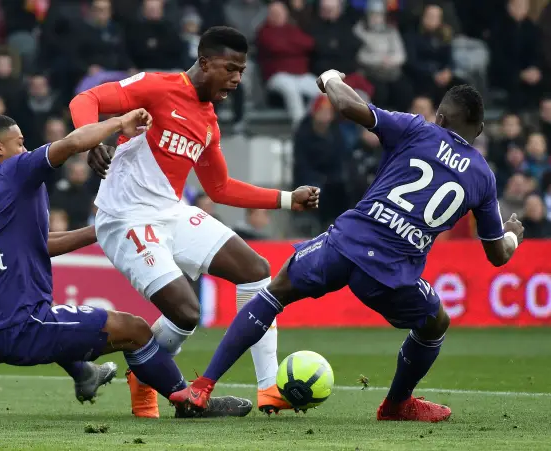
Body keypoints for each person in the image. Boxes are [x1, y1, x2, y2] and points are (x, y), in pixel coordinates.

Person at [169, 75, 525, 422]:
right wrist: (511, 235)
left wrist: (330, 78)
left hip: (347, 242)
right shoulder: (483, 176)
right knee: (435, 323)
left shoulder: (418, 129)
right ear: (478, 131)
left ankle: (202, 387)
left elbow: (348, 105)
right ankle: (397, 405)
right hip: (392, 272)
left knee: (274, 292)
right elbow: (497, 255)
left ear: (441, 118)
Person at [69, 26, 319, 418]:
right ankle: (147, 369)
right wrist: (90, 141)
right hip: (125, 219)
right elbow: (87, 98)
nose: (237, 80)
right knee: (186, 314)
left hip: (170, 211)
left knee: (256, 271)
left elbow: (218, 188)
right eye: (230, 69)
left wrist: (287, 199)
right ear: (205, 63)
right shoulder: (156, 87)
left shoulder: (208, 121)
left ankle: (269, 388)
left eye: (241, 71)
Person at [0, 112, 253, 418]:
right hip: (18, 326)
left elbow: (39, 244)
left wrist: (100, 229)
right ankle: (190, 404)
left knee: (60, 322)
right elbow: (71, 143)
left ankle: (84, 373)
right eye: (19, 143)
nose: (25, 150)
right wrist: (119, 123)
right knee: (135, 330)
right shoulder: (11, 172)